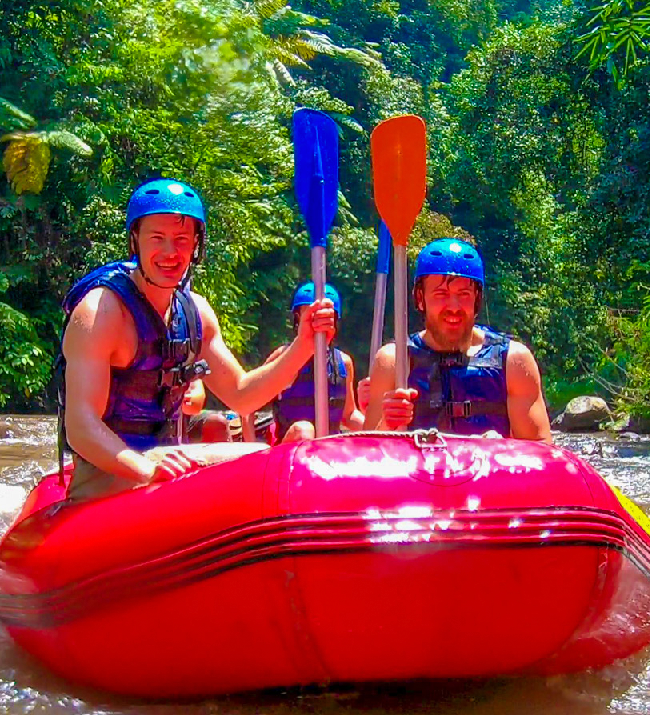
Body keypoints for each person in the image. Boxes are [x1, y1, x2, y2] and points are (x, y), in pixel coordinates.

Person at [58, 178, 337, 499]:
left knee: (261, 451)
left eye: (181, 239)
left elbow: (242, 395)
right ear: (135, 241)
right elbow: (81, 427)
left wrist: (303, 344)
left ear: (196, 245)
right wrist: (146, 471)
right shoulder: (100, 313)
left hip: (166, 457)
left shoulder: (195, 312)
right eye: (157, 238)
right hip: (108, 467)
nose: (169, 252)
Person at [365, 238, 551, 441]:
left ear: (476, 300)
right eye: (440, 294)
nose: (453, 306)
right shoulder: (394, 361)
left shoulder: (514, 361)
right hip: (420, 471)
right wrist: (387, 424)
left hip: (491, 471)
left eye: (463, 294)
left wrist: (502, 450)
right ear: (420, 299)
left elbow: (543, 453)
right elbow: (368, 456)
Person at [260, 282, 364, 439]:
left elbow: (349, 414)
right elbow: (249, 408)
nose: (317, 324)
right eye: (310, 317)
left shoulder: (344, 362)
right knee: (304, 430)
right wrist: (250, 445)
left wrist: (383, 430)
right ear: (298, 319)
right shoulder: (281, 356)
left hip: (327, 451)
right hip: (290, 451)